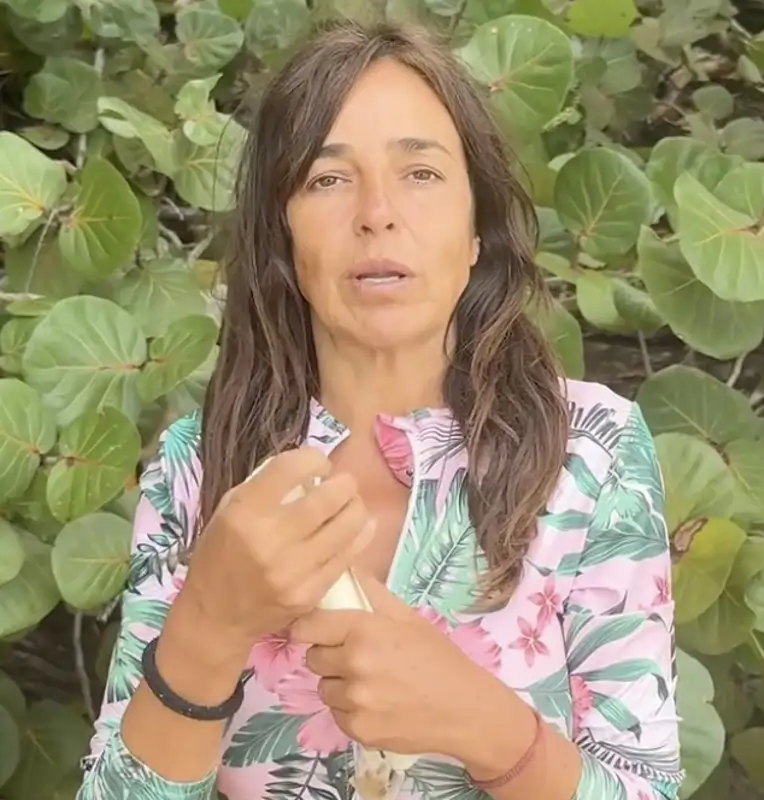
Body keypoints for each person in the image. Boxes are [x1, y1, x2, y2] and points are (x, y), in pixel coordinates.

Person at [76, 18, 683, 800]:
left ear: (477, 230)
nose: (378, 213)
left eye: (421, 173)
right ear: (281, 238)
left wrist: (486, 726)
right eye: (328, 179)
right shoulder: (197, 471)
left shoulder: (592, 452)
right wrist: (208, 627)